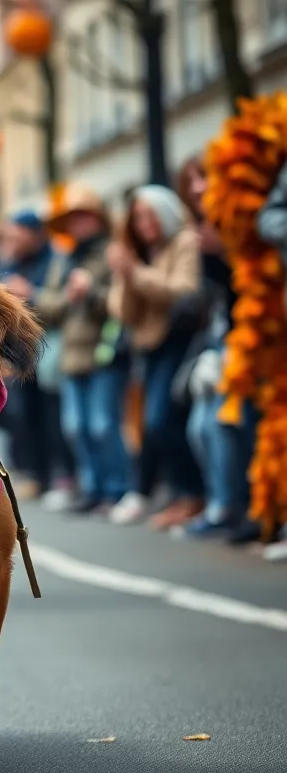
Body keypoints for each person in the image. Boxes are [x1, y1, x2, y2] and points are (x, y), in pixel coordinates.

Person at [106, 185, 205, 528]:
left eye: (150, 215)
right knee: (149, 425)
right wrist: (127, 275)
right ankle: (180, 494)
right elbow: (121, 310)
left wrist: (135, 273)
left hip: (179, 342)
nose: (144, 224)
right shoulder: (138, 253)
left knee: (162, 420)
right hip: (146, 347)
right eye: (137, 218)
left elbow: (184, 291)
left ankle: (192, 494)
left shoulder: (185, 242)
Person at [176, 157, 259, 542]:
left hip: (258, 342)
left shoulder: (245, 220)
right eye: (191, 181)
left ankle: (247, 510)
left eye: (203, 178)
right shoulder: (203, 235)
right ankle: (223, 505)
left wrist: (220, 251)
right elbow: (209, 301)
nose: (196, 189)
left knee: (227, 423)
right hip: (228, 345)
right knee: (203, 425)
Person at [41, 186, 131, 514]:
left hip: (104, 353)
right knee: (75, 427)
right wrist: (69, 295)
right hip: (71, 356)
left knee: (103, 425)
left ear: (97, 217)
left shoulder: (112, 252)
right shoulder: (63, 260)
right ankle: (92, 487)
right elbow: (45, 306)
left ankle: (118, 489)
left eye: (84, 216)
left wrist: (92, 292)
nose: (78, 224)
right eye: (73, 218)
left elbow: (122, 302)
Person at [0, 210, 75, 508]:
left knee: (54, 417)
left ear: (35, 234)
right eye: (10, 236)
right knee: (23, 415)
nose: (13, 242)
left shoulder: (55, 261)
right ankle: (37, 475)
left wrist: (30, 294)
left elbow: (60, 306)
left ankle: (63, 477)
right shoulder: (9, 265)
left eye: (18, 236)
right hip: (20, 356)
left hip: (52, 353)